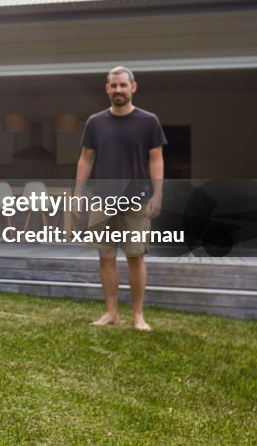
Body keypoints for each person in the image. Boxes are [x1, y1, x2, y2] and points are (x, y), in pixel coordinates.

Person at [72, 66, 166, 331]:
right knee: (106, 256)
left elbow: (156, 159)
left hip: (136, 200)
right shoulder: (95, 122)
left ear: (133, 87)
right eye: (113, 86)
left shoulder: (149, 121)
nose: (118, 90)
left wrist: (158, 194)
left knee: (135, 256)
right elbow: (85, 159)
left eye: (123, 85)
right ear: (107, 89)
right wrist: (77, 194)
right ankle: (111, 312)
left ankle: (138, 316)